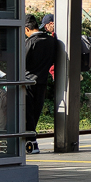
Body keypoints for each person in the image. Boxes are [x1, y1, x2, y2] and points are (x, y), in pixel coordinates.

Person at [22, 14, 62, 154]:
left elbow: (22, 63)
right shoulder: (51, 41)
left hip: (27, 82)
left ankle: (30, 143)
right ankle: (31, 142)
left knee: (27, 113)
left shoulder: (30, 42)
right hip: (42, 82)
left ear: (27, 29)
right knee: (36, 112)